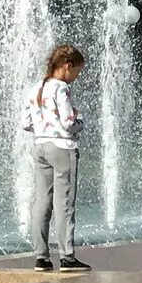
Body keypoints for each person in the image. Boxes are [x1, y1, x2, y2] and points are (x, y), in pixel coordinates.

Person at [18, 43, 89, 271]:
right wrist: (81, 122)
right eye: (77, 71)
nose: (76, 77)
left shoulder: (36, 87)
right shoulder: (61, 88)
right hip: (62, 148)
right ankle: (67, 257)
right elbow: (68, 123)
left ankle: (41, 257)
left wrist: (44, 128)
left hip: (40, 147)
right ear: (67, 66)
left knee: (42, 202)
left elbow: (25, 123)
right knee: (64, 203)